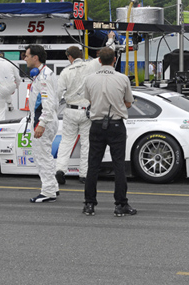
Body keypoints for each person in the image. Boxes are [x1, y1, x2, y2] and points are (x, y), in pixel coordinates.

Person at [83, 47, 136, 217]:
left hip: (97, 124)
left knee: (93, 165)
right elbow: (128, 102)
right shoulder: (122, 78)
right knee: (119, 165)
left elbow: (90, 100)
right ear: (114, 60)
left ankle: (89, 204)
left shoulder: (90, 79)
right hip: (116, 124)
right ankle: (120, 204)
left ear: (99, 60)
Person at [24, 45, 60, 202]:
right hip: (47, 119)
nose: (24, 59)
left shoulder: (44, 76)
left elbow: (48, 102)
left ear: (35, 57)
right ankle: (53, 187)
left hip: (43, 120)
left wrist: (41, 123)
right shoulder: (43, 73)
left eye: (26, 56)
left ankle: (48, 192)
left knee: (42, 157)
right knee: (46, 156)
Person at [55, 46, 90, 185]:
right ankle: (84, 174)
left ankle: (60, 170)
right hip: (86, 110)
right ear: (80, 55)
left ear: (69, 57)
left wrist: (52, 109)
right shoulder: (89, 67)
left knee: (66, 141)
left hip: (70, 109)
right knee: (86, 143)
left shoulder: (65, 72)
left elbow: (58, 93)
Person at [0, 48, 21, 121]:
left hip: (1, 88)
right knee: (6, 89)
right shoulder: (9, 62)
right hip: (11, 86)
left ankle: (0, 125)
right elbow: (18, 78)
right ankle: (10, 104)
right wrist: (16, 87)